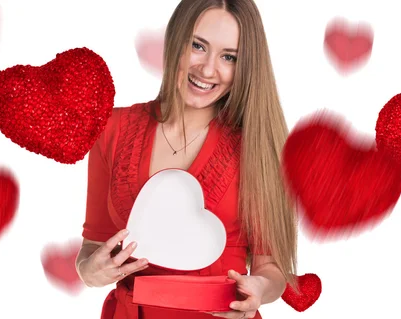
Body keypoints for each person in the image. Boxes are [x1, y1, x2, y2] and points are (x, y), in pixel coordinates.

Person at [75, 0, 297, 318]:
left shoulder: (258, 147)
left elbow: (271, 269)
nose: (207, 69)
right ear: (176, 38)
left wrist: (260, 289)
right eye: (197, 45)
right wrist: (89, 272)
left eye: (229, 57)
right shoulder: (112, 128)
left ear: (245, 65)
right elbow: (93, 247)